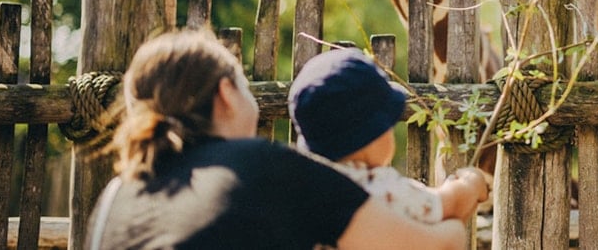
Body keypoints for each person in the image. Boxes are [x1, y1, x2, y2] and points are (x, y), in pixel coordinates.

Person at [87, 29, 468, 250]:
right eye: (244, 84)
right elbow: (433, 245)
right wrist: (458, 222)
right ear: (226, 94)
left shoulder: (116, 195)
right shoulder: (261, 166)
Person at [288, 48, 489, 231]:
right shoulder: (381, 191)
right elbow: (450, 203)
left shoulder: (296, 187)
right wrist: (471, 182)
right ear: (371, 136)